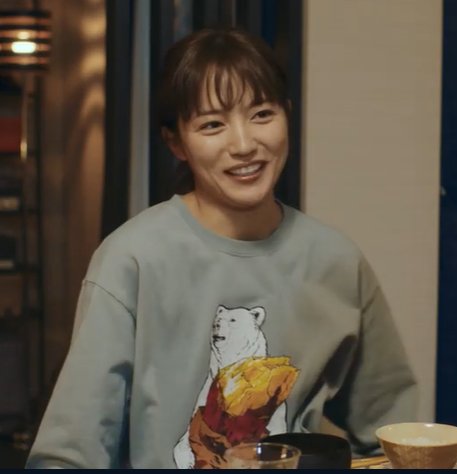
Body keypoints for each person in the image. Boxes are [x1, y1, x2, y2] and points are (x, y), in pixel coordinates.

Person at [26, 27, 417, 469]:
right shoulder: (132, 259)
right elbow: (67, 455)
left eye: (262, 114)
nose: (244, 145)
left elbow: (395, 437)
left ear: (287, 116)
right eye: (212, 124)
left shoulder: (337, 261)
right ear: (176, 142)